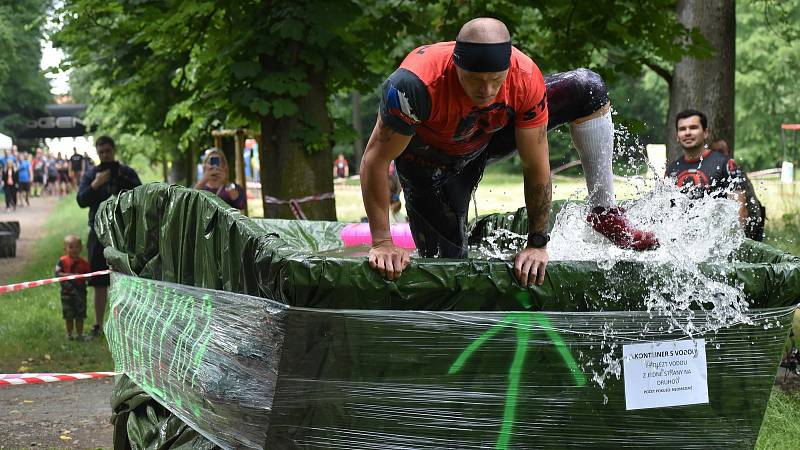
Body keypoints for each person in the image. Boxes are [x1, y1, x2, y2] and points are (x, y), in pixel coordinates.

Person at [360, 17, 658, 283]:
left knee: (587, 87)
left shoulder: (524, 76)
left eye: (496, 80)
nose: (487, 91)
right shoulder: (412, 87)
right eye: (475, 80)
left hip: (488, 136)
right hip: (428, 162)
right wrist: (382, 241)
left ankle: (604, 211)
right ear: (456, 66)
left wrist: (537, 243)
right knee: (446, 274)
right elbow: (375, 161)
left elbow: (535, 165)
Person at [77, 136, 142, 337]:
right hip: (98, 232)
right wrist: (95, 185)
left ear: (114, 150)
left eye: (108, 151)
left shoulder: (126, 171)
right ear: (97, 153)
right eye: (101, 152)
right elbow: (81, 200)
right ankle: (98, 324)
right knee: (98, 281)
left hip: (124, 232)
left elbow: (141, 194)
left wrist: (122, 178)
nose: (105, 155)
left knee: (126, 277)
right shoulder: (91, 175)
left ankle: (127, 323)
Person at [666, 109, 748, 226]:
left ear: (705, 133)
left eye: (693, 127)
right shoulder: (671, 170)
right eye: (682, 129)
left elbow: (740, 209)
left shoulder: (726, 164)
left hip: (715, 239)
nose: (687, 132)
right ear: (677, 136)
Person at [709, 139, 765, 241]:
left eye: (720, 151)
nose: (717, 155)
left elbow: (746, 206)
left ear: (728, 153)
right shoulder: (713, 174)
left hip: (749, 226)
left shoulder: (735, 174)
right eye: (714, 151)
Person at [55, 235, 91, 340]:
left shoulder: (84, 263)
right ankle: (69, 334)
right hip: (66, 293)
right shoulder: (62, 261)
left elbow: (89, 277)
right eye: (71, 247)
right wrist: (67, 276)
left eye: (76, 247)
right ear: (65, 249)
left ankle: (80, 335)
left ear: (81, 248)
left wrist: (84, 277)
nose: (74, 249)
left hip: (80, 293)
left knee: (80, 315)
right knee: (68, 315)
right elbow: (57, 274)